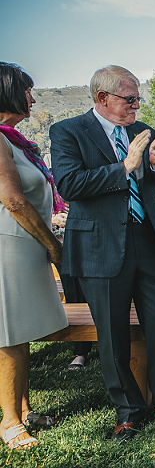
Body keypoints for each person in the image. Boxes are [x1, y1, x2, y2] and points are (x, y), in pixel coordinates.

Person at [50, 65, 155, 442]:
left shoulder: (139, 131)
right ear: (103, 98)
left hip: (148, 241)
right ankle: (128, 410)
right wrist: (125, 167)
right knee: (112, 334)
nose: (136, 106)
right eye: (129, 99)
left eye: (137, 99)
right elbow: (69, 185)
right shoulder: (67, 131)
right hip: (100, 246)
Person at [0, 62, 68, 449]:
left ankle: (23, 409)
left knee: (21, 330)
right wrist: (53, 244)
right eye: (28, 90)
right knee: (9, 333)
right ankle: (9, 421)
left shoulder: (12, 140)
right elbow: (12, 200)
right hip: (8, 244)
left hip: (23, 245)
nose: (34, 98)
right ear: (7, 91)